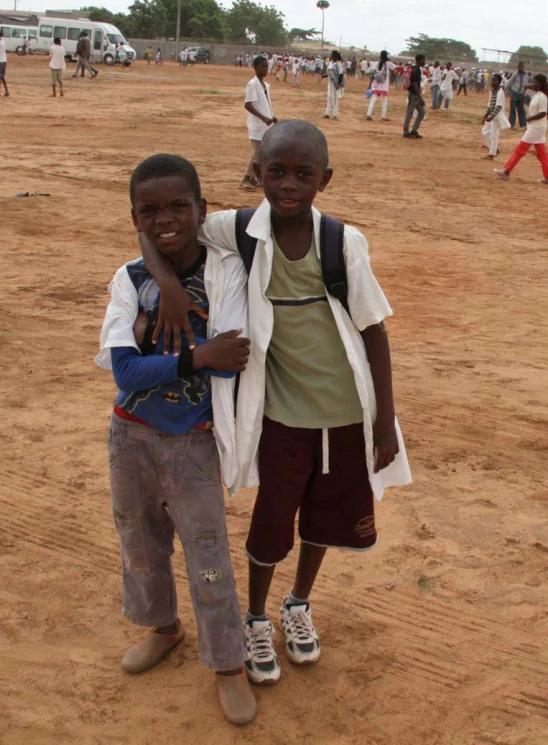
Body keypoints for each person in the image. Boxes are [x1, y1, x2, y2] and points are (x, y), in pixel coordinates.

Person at [139, 120, 412, 688]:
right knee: (271, 519)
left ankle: (298, 604)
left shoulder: (341, 242)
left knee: (324, 517)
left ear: (324, 180)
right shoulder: (237, 229)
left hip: (344, 413)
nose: (289, 184)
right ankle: (256, 615)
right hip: (281, 416)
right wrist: (166, 286)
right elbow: (158, 233)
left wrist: (383, 423)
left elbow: (374, 333)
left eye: (303, 174)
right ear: (257, 172)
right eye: (277, 171)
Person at [95, 153, 257, 725]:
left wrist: (166, 336)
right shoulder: (128, 278)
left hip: (194, 441)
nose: (165, 219)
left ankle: (228, 664)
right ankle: (164, 630)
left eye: (178, 207)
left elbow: (230, 360)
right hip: (130, 434)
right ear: (136, 219)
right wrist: (193, 349)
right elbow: (126, 375)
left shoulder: (226, 271)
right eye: (150, 211)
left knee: (208, 553)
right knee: (140, 543)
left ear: (202, 210)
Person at [495, 74, 548, 184]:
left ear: (540, 84)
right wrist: (531, 85)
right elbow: (525, 86)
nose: (532, 84)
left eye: (535, 82)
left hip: (537, 127)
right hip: (536, 126)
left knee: (520, 149)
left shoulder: (542, 96)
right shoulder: (537, 94)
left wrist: (530, 118)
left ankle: (507, 171)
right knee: (541, 154)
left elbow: (543, 113)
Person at [240, 56, 276, 192]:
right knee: (257, 153)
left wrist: (271, 117)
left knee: (263, 153)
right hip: (257, 125)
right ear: (255, 68)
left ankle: (256, 178)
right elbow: (248, 105)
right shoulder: (252, 84)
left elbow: (265, 104)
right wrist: (263, 118)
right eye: (262, 66)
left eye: (267, 66)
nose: (265, 69)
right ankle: (246, 178)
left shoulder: (265, 86)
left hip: (265, 124)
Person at [481, 74, 510, 159]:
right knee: (484, 132)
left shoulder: (500, 92)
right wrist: (485, 116)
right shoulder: (492, 92)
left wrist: (491, 117)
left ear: (499, 82)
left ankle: (492, 154)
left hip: (497, 117)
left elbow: (498, 106)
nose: (492, 82)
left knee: (494, 135)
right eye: (492, 80)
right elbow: (490, 106)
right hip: (491, 116)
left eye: (494, 80)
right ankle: (494, 149)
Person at [366, 50, 396, 121]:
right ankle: (383, 116)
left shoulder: (376, 63)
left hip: (376, 82)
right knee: (384, 100)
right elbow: (395, 69)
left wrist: (370, 84)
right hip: (384, 83)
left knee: (374, 98)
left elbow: (373, 73)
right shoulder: (388, 63)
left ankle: (369, 114)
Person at [403, 54, 426, 139]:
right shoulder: (416, 70)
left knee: (421, 112)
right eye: (423, 59)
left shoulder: (414, 69)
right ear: (418, 60)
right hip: (414, 95)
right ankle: (406, 131)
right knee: (410, 113)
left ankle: (413, 131)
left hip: (414, 94)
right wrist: (420, 98)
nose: (424, 61)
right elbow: (415, 84)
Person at [505, 61, 528, 129]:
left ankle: (523, 125)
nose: (520, 68)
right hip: (514, 93)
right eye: (519, 66)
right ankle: (511, 124)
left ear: (523, 67)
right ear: (517, 67)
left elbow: (526, 84)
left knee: (521, 110)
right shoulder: (515, 74)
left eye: (521, 66)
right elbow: (510, 82)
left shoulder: (525, 75)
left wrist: (524, 92)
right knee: (512, 109)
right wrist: (505, 89)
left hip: (521, 94)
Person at [323, 50, 344, 120]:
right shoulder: (331, 63)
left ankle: (335, 115)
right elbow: (330, 73)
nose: (330, 56)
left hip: (335, 84)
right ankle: (327, 113)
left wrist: (338, 84)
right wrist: (323, 76)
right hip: (330, 83)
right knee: (329, 98)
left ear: (334, 56)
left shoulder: (338, 64)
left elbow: (341, 74)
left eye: (331, 54)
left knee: (335, 99)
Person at [0, 30, 9, 98]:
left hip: (1, 61)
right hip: (4, 60)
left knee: (1, 76)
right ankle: (6, 91)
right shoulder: (3, 41)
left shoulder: (1, 43)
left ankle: (6, 91)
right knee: (2, 77)